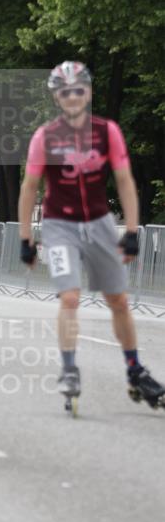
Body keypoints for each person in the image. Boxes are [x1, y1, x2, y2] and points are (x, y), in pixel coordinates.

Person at [18, 60, 164, 414]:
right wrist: (26, 238)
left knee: (119, 301)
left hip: (99, 222)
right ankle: (69, 369)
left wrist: (131, 230)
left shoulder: (106, 131)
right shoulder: (45, 136)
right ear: (56, 97)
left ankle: (134, 370)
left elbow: (126, 181)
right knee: (70, 297)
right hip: (59, 226)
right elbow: (30, 187)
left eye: (79, 89)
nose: (72, 96)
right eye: (65, 91)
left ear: (90, 92)